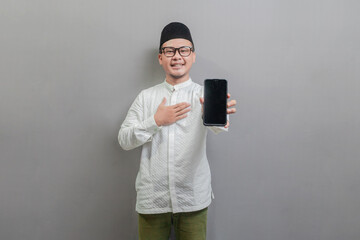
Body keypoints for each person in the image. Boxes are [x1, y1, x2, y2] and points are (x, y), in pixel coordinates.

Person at [118, 22, 236, 240]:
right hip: (152, 201)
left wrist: (216, 116)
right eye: (169, 51)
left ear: (193, 56)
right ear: (160, 58)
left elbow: (220, 126)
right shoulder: (146, 97)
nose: (177, 56)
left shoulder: (203, 96)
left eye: (184, 50)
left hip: (192, 199)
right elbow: (124, 140)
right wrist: (155, 120)